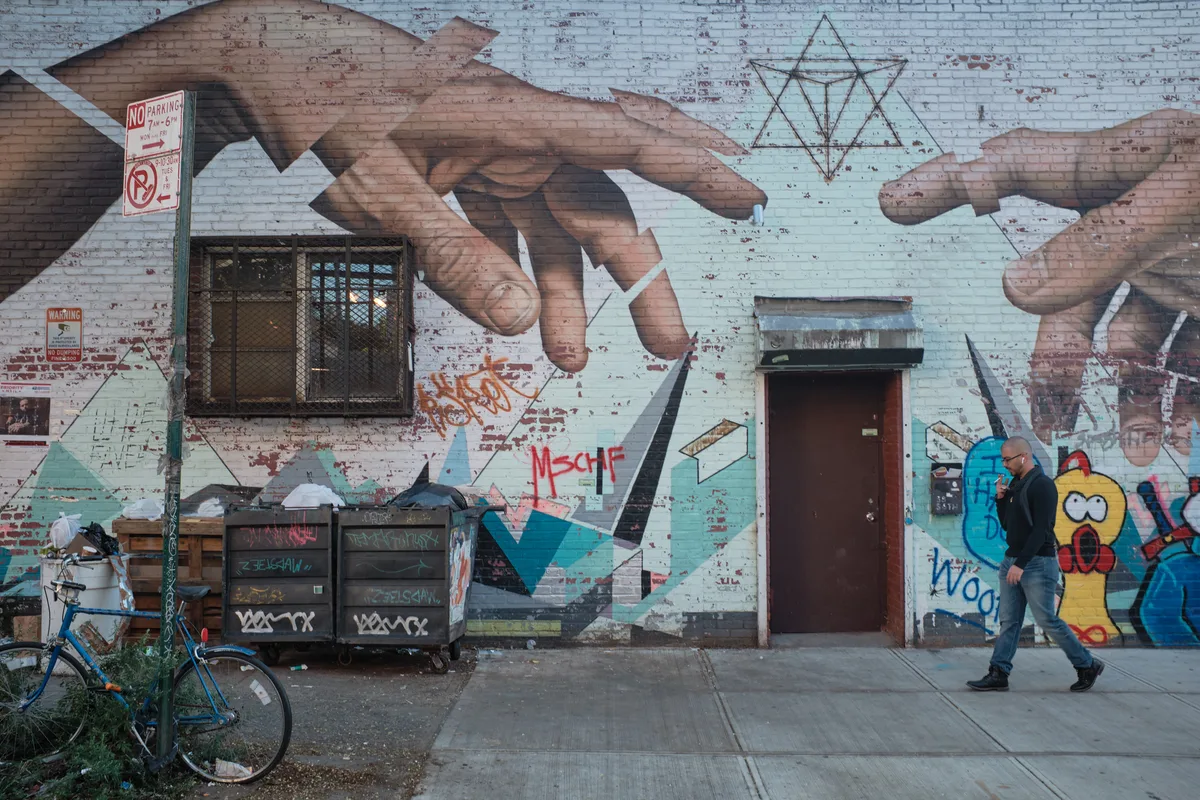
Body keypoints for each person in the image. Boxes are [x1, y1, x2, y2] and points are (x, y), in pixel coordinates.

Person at [967, 436, 1104, 692]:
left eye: (1007, 459)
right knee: (1009, 621)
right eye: (1002, 459)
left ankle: (1087, 665)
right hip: (1013, 560)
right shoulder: (1018, 485)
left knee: (1047, 620)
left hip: (1037, 563)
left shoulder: (1042, 486)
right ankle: (998, 672)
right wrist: (1000, 499)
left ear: (1023, 457)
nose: (1004, 464)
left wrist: (1021, 563)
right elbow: (1009, 525)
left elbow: (1042, 530)